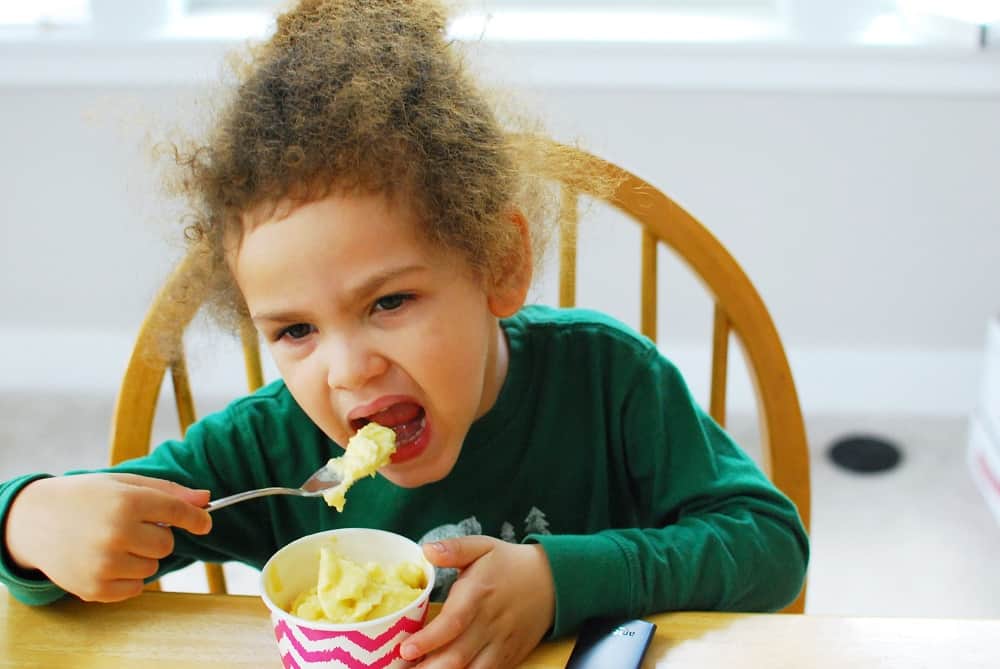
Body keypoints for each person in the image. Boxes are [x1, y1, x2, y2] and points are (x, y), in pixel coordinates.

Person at [0, 0, 809, 667]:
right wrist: (29, 521)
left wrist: (565, 579)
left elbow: (769, 545)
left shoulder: (607, 380)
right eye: (294, 330)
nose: (348, 368)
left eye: (388, 302)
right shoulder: (266, 452)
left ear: (498, 260)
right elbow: (76, 548)